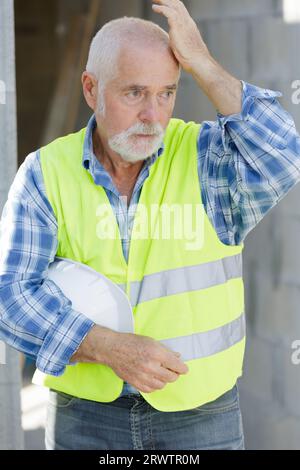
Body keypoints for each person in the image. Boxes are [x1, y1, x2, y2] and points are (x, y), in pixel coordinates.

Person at [1, 0, 300, 450]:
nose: (153, 115)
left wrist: (199, 59)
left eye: (167, 92)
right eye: (135, 92)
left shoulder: (206, 161)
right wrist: (105, 347)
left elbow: (283, 154)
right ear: (90, 89)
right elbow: (10, 294)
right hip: (84, 420)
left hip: (202, 419)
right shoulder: (46, 173)